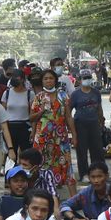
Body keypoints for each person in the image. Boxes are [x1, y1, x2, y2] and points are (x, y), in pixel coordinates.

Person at [30, 69, 73, 198]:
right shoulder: (38, 97)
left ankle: (73, 200)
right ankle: (38, 197)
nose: (48, 81)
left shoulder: (64, 96)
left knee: (65, 165)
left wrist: (74, 135)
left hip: (61, 137)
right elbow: (31, 118)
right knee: (39, 166)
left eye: (51, 78)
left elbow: (69, 117)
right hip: (42, 138)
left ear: (55, 80)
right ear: (42, 81)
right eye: (45, 78)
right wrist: (41, 112)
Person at [67, 69, 104, 182]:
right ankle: (84, 174)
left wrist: (101, 121)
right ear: (80, 80)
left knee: (97, 150)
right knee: (81, 151)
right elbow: (69, 110)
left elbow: (99, 108)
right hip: (80, 125)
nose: (87, 80)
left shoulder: (96, 92)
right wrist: (71, 128)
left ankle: (98, 173)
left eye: (88, 77)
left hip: (94, 124)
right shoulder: (75, 94)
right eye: (84, 78)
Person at [3, 68, 33, 166]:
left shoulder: (30, 94)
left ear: (23, 79)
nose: (15, 79)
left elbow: (32, 113)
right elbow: (3, 112)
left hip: (25, 127)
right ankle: (10, 177)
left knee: (27, 155)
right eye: (13, 77)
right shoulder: (7, 93)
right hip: (10, 127)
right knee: (11, 155)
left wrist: (33, 130)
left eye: (18, 77)